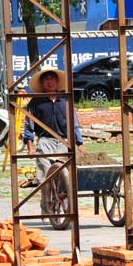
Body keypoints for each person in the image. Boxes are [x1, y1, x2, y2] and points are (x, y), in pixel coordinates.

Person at [23, 67, 84, 218]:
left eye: (52, 79)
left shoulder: (65, 100)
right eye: (46, 80)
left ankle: (66, 207)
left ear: (57, 82)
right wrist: (30, 147)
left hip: (63, 141)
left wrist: (79, 142)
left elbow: (74, 123)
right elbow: (28, 125)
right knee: (45, 176)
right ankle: (46, 208)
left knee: (65, 177)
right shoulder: (36, 103)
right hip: (44, 142)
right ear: (43, 84)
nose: (50, 82)